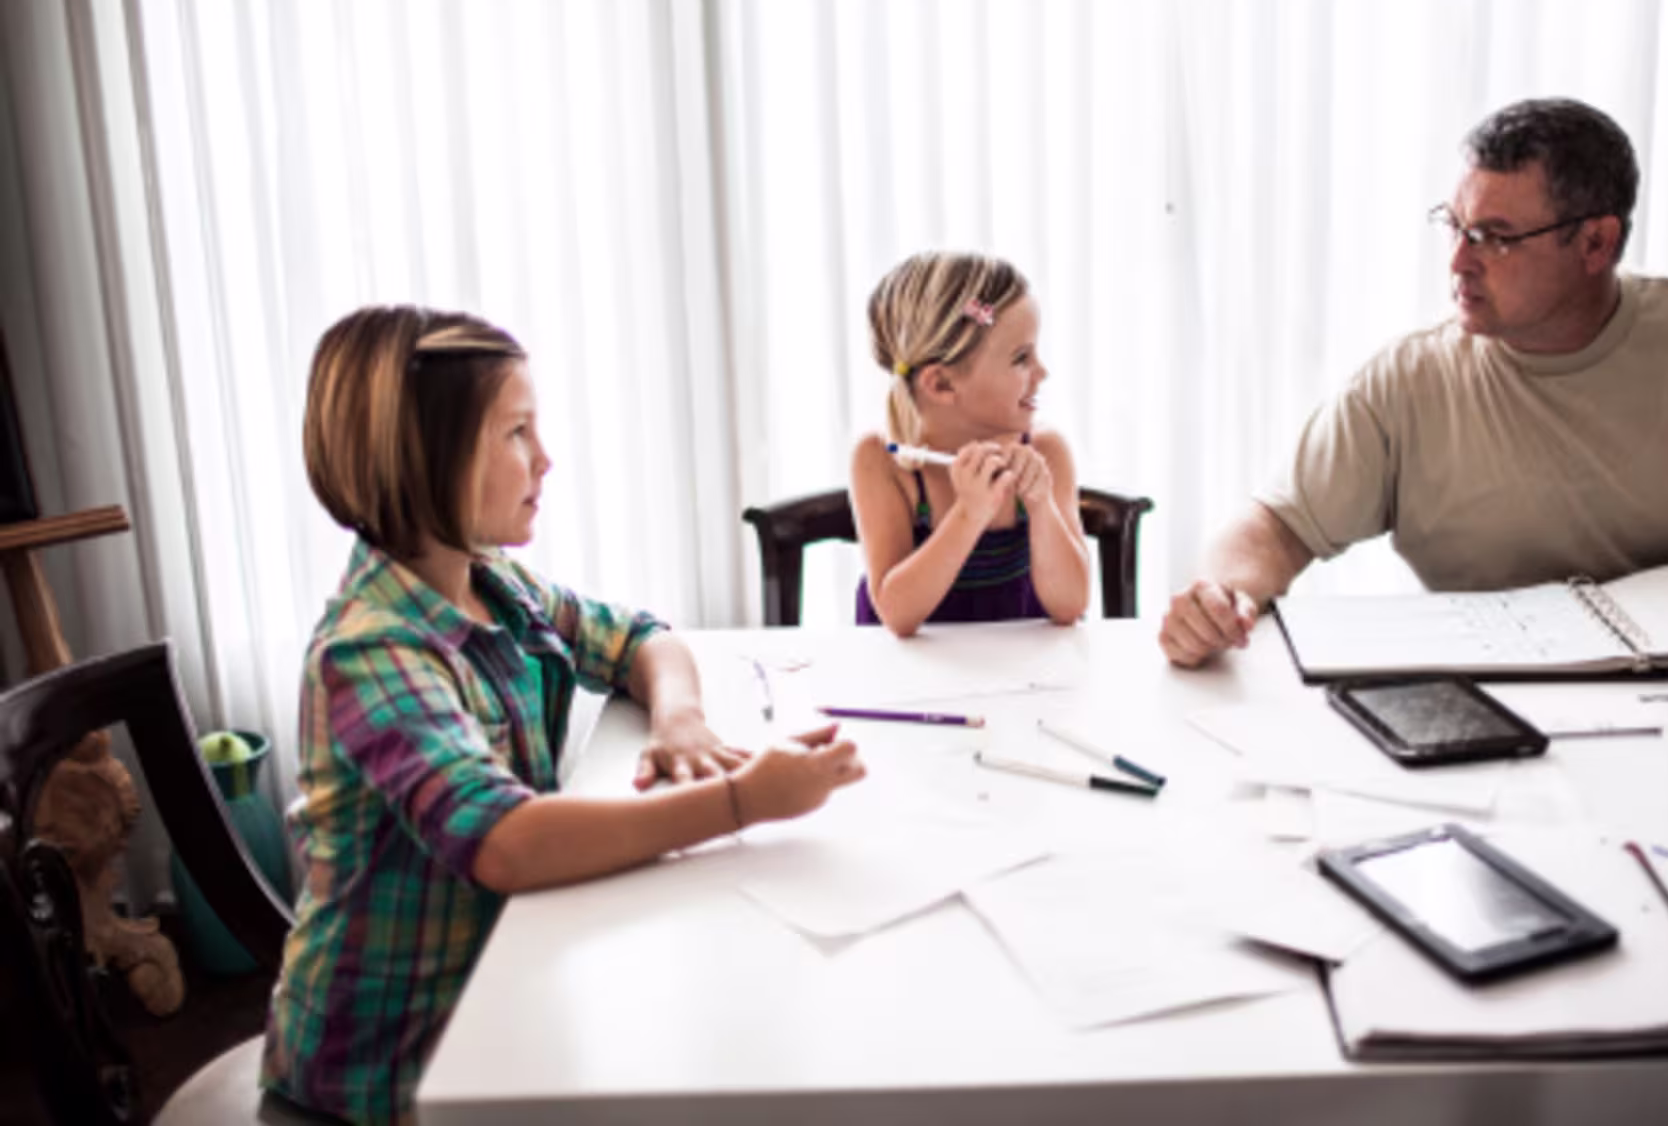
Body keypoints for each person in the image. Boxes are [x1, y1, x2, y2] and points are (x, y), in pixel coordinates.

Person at [264, 307, 865, 1123]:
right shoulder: (372, 652)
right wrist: (741, 801)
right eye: (515, 434)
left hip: (500, 989)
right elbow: (506, 844)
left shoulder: (492, 584)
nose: (544, 459)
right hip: (387, 1070)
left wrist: (679, 718)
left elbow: (642, 638)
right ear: (424, 460)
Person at [1161, 97, 1668, 668]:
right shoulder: (1410, 381)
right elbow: (1276, 526)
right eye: (1455, 225)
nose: (1458, 263)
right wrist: (1220, 595)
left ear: (1596, 243)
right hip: (1498, 704)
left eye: (1496, 237)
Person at [851, 252, 1090, 635]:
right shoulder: (882, 460)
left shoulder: (1046, 451)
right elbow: (897, 614)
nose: (1042, 372)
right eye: (1021, 358)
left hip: (1021, 678)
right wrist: (970, 514)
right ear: (942, 384)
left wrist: (1041, 505)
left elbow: (1070, 605)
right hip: (910, 684)